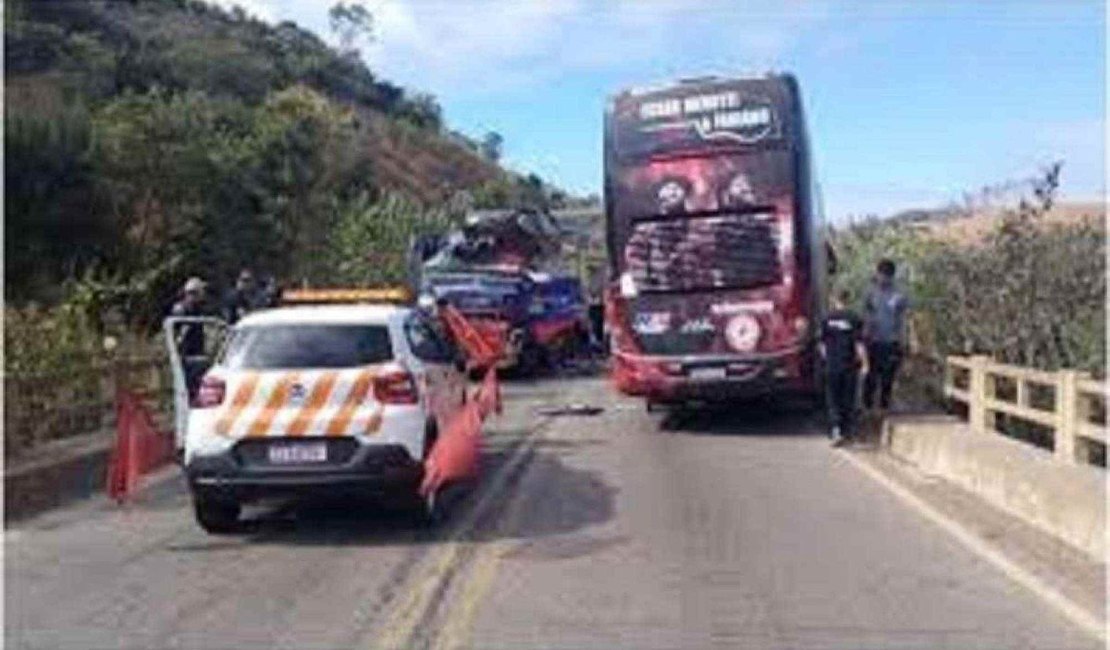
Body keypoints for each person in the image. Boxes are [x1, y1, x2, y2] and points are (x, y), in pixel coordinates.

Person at [820, 289, 869, 446]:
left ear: (834, 300)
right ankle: (848, 432)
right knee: (848, 399)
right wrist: (865, 363)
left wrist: (827, 360)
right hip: (849, 366)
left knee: (832, 399)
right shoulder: (855, 319)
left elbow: (821, 345)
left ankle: (836, 430)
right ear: (848, 299)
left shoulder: (827, 319)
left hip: (832, 366)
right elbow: (858, 344)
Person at [863, 258, 910, 413]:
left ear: (892, 276)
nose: (883, 278)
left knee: (888, 375)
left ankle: (884, 405)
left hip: (892, 341)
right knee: (871, 374)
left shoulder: (899, 295)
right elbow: (866, 315)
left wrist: (904, 340)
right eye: (881, 274)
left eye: (886, 275)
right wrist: (864, 337)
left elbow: (903, 319)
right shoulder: (870, 293)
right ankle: (867, 405)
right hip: (873, 341)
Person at [170, 277, 209, 398]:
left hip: (197, 354)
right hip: (188, 356)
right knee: (188, 389)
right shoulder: (182, 310)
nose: (203, 294)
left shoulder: (198, 309)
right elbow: (180, 334)